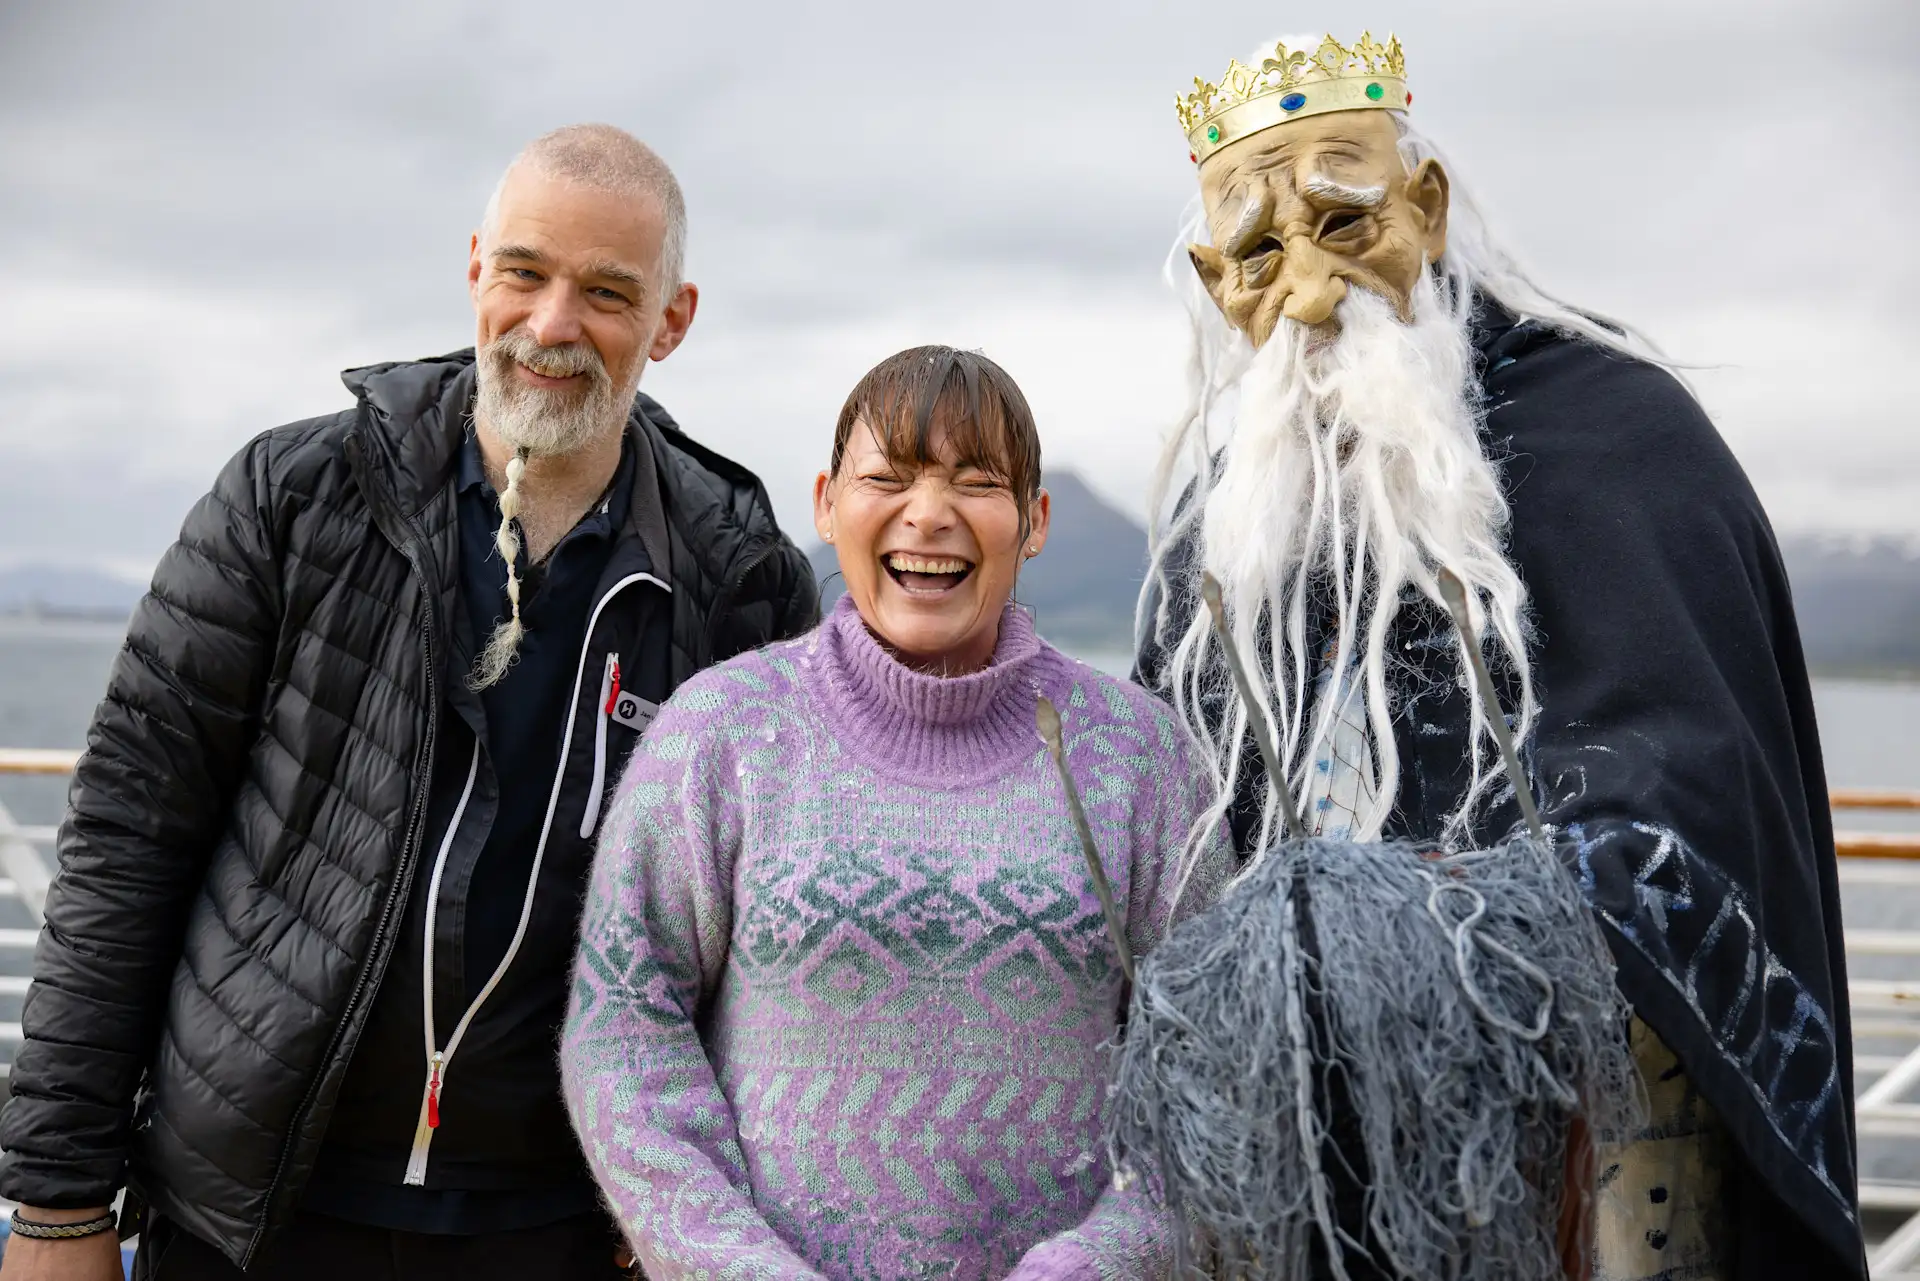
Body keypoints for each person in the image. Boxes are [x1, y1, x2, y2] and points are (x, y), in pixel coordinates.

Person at [0, 124, 817, 1280]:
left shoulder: (742, 577)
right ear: (477, 267)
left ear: (672, 320)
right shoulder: (290, 501)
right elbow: (128, 840)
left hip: (560, 1230)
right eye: (525, 272)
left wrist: (695, 1208)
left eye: (606, 292)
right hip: (256, 1213)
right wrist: (57, 1202)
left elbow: (755, 943)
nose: (552, 325)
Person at [1129, 31, 1862, 1281]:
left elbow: (1694, 802)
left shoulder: (1620, 439)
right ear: (1213, 280)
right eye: (1257, 253)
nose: (1308, 290)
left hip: (1597, 1163)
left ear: (1425, 206)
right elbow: (1165, 823)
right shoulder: (1229, 528)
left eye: (1345, 222)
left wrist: (1432, 918)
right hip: (1297, 1174)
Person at [561, 346, 1225, 1279]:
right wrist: (737, 1266)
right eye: (889, 478)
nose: (929, 512)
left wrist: (1096, 1264)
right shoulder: (721, 735)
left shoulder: (1143, 758)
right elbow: (623, 1028)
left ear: (1034, 521)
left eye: (976, 482)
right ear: (828, 503)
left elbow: (1212, 1065)